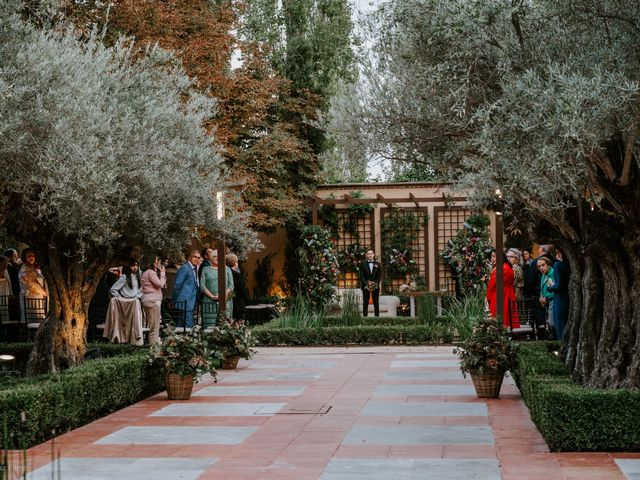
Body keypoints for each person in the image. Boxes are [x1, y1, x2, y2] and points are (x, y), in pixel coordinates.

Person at [105, 258, 144, 345]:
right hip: (124, 302)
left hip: (133, 302)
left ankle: (134, 340)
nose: (135, 267)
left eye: (136, 265)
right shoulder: (125, 277)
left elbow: (139, 290)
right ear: (129, 266)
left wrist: (136, 296)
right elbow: (113, 289)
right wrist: (120, 297)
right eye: (133, 265)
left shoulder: (139, 276)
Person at [485, 250, 519, 328]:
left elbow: (492, 285)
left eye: (494, 256)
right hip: (507, 293)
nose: (492, 259)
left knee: (499, 318)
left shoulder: (500, 268)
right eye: (491, 257)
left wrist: (487, 298)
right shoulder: (506, 266)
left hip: (500, 295)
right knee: (507, 316)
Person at [201, 250, 234, 325]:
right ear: (211, 258)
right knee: (209, 325)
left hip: (225, 301)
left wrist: (223, 295)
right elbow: (202, 285)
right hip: (209, 301)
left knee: (225, 324)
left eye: (219, 257)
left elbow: (231, 285)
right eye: (215, 256)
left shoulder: (227, 269)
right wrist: (212, 296)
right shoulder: (205, 269)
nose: (217, 258)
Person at [172, 251, 202, 328]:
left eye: (198, 258)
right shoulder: (185, 268)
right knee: (188, 325)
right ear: (190, 258)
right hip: (184, 301)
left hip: (191, 301)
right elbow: (177, 285)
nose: (197, 259)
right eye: (195, 257)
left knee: (181, 324)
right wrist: (174, 299)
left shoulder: (195, 269)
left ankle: (178, 339)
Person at [141, 256, 166, 344]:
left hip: (147, 300)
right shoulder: (150, 272)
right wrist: (163, 274)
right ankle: (153, 347)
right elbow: (160, 285)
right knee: (154, 326)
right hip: (153, 301)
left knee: (152, 325)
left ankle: (152, 345)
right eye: (156, 260)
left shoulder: (145, 273)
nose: (157, 262)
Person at [18, 248, 48, 322]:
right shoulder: (25, 269)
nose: (31, 258)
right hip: (31, 298)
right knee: (33, 319)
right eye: (29, 256)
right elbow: (32, 285)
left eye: (33, 256)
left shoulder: (32, 268)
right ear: (24, 257)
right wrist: (45, 293)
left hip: (37, 297)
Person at [548, 249, 570, 340]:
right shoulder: (567, 264)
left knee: (560, 327)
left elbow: (558, 286)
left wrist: (549, 287)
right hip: (567, 298)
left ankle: (562, 349)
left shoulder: (557, 265)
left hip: (559, 299)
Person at [358, 248, 382, 317]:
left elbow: (379, 276)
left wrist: (375, 284)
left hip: (375, 287)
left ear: (374, 255)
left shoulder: (378, 264)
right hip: (366, 287)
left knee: (376, 303)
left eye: (371, 253)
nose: (370, 255)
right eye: (369, 254)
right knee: (365, 303)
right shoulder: (362, 264)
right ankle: (365, 318)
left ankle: (376, 318)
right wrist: (367, 284)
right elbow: (361, 276)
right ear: (366, 255)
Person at [227, 253, 248, 321]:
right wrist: (247, 299)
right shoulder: (237, 275)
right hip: (239, 303)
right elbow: (243, 290)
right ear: (236, 262)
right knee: (240, 323)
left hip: (230, 302)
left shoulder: (226, 273)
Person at [538, 256, 555, 333]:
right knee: (550, 323)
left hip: (553, 299)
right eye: (539, 266)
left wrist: (546, 297)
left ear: (548, 265)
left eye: (543, 265)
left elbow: (552, 287)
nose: (541, 268)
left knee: (552, 323)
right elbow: (542, 288)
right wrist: (541, 296)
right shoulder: (543, 275)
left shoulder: (553, 273)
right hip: (547, 301)